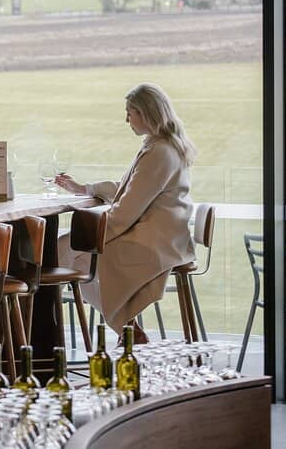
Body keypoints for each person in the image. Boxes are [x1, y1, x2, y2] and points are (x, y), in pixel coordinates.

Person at [55, 83, 196, 342]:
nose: (126, 119)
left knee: (68, 254)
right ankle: (127, 329)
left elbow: (127, 210)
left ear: (146, 114)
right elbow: (129, 189)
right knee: (69, 251)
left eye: (130, 113)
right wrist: (83, 188)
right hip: (163, 237)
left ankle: (126, 331)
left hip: (155, 243)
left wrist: (92, 232)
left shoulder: (160, 152)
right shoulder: (158, 146)